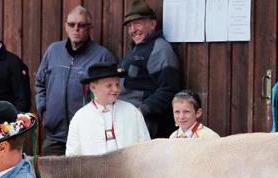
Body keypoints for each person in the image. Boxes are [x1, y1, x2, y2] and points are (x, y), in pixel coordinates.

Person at [35, 6, 116, 156]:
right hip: (55, 137)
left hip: (87, 137)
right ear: (66, 27)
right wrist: (44, 112)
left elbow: (111, 93)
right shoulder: (53, 51)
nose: (76, 29)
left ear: (89, 28)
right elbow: (40, 83)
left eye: (81, 25)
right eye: (71, 24)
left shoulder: (102, 56)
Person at [118, 0, 182, 138]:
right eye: (129, 26)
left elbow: (169, 90)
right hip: (124, 119)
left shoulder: (160, 49)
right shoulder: (137, 49)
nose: (133, 30)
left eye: (137, 24)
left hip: (144, 124)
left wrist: (141, 110)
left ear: (152, 24)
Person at [66, 63, 150, 156]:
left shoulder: (132, 111)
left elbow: (146, 147)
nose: (115, 89)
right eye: (109, 85)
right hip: (95, 170)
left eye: (117, 84)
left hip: (128, 169)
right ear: (93, 87)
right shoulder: (80, 118)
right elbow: (72, 157)